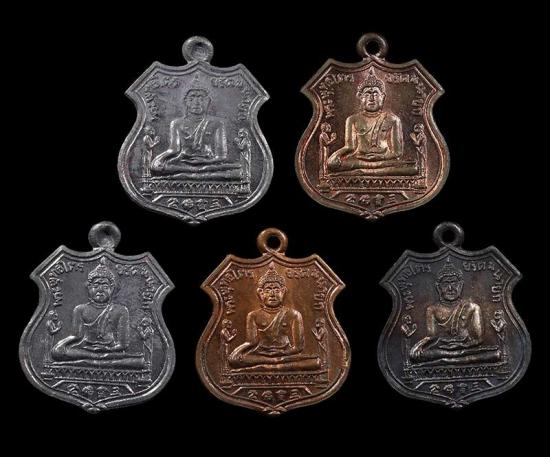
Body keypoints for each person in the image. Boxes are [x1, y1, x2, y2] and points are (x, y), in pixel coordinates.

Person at [52, 260, 144, 368]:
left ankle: (90, 361)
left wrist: (107, 349)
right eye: (96, 285)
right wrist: (60, 346)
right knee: (57, 352)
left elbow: (123, 345)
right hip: (86, 350)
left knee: (137, 361)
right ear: (89, 287)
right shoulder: (80, 309)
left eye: (105, 286)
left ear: (112, 288)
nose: (100, 290)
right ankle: (96, 359)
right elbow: (76, 336)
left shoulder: (121, 310)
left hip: (110, 351)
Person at [228, 265, 320, 370]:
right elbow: (251, 342)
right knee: (234, 360)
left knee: (315, 363)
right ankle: (274, 364)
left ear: (283, 291)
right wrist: (236, 354)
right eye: (268, 290)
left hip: (286, 354)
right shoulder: (253, 315)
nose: (272, 294)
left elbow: (298, 347)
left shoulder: (293, 314)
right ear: (260, 293)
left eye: (276, 290)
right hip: (261, 354)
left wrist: (282, 353)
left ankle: (267, 366)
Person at [410, 258, 501, 364]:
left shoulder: (472, 307)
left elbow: (479, 339)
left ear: (461, 285)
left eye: (454, 283)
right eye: (445, 284)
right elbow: (431, 337)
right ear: (438, 287)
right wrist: (418, 346)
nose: (450, 288)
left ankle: (446, 360)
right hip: (442, 348)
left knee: (492, 353)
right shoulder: (432, 309)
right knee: (419, 355)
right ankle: (451, 358)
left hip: (467, 348)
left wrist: (462, 345)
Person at [327, 68, 416, 175]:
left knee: (412, 169)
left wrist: (380, 157)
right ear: (360, 97)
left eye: (375, 94)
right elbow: (349, 147)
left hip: (384, 160)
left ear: (383, 97)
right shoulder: (352, 119)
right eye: (367, 94)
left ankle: (362, 172)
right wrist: (335, 156)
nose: (372, 98)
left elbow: (397, 152)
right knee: (332, 164)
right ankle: (370, 171)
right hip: (360, 160)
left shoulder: (393, 119)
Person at [151, 84, 235, 174]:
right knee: (158, 167)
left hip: (209, 163)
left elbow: (221, 156)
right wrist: (158, 159)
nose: (196, 103)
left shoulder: (217, 124)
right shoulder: (176, 123)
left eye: (201, 99)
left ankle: (194, 171)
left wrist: (205, 162)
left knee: (236, 171)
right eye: (191, 99)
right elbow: (173, 150)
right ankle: (194, 171)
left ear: (208, 102)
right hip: (183, 161)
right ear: (186, 101)